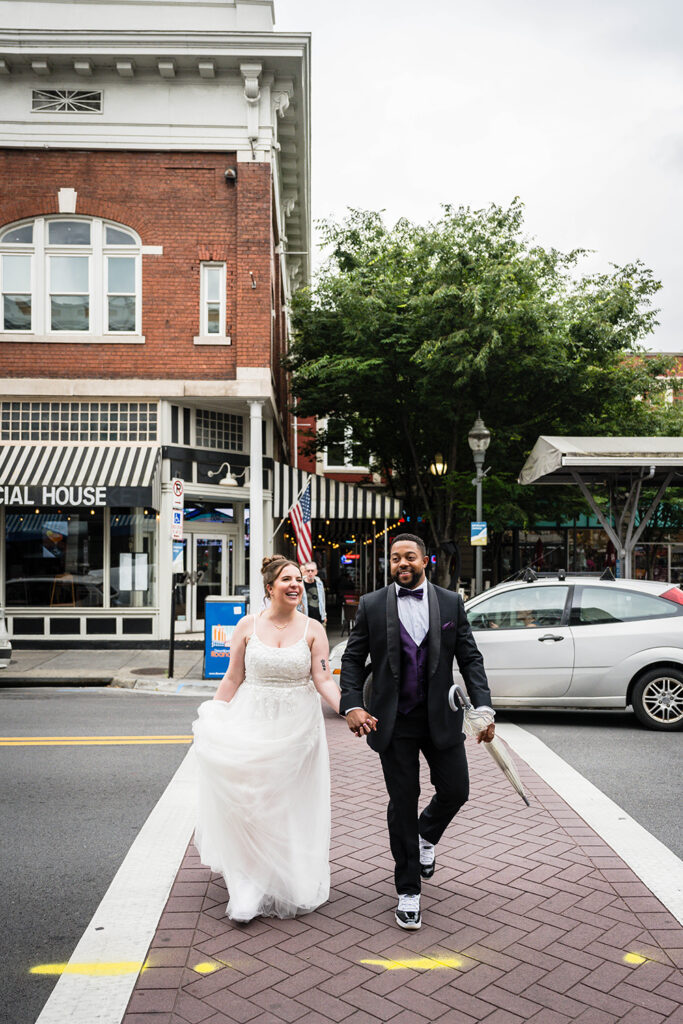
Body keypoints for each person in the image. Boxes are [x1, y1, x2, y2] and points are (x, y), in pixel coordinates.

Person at [339, 534, 495, 931]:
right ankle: (408, 889)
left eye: (409, 557)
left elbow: (470, 658)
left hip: (440, 718)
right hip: (392, 722)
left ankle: (426, 837)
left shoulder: (450, 602)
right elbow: (354, 659)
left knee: (457, 790)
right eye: (395, 558)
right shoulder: (373, 605)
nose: (401, 563)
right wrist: (353, 704)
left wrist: (484, 708)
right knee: (402, 803)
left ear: (426, 560)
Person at [192, 555, 341, 923]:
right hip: (252, 720)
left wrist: (348, 709)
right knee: (252, 802)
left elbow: (323, 679)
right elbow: (232, 678)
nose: (295, 585)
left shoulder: (313, 629)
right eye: (287, 579)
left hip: (298, 730)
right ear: (270, 587)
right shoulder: (247, 625)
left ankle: (286, 874)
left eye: (298, 580)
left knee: (285, 804)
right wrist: (215, 714)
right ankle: (247, 883)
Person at [300, 560, 327, 626]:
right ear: (305, 572)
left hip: (318, 617)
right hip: (305, 617)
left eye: (312, 571)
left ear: (316, 572)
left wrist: (324, 615)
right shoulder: (300, 583)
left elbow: (322, 600)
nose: (310, 573)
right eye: (308, 571)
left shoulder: (319, 583)